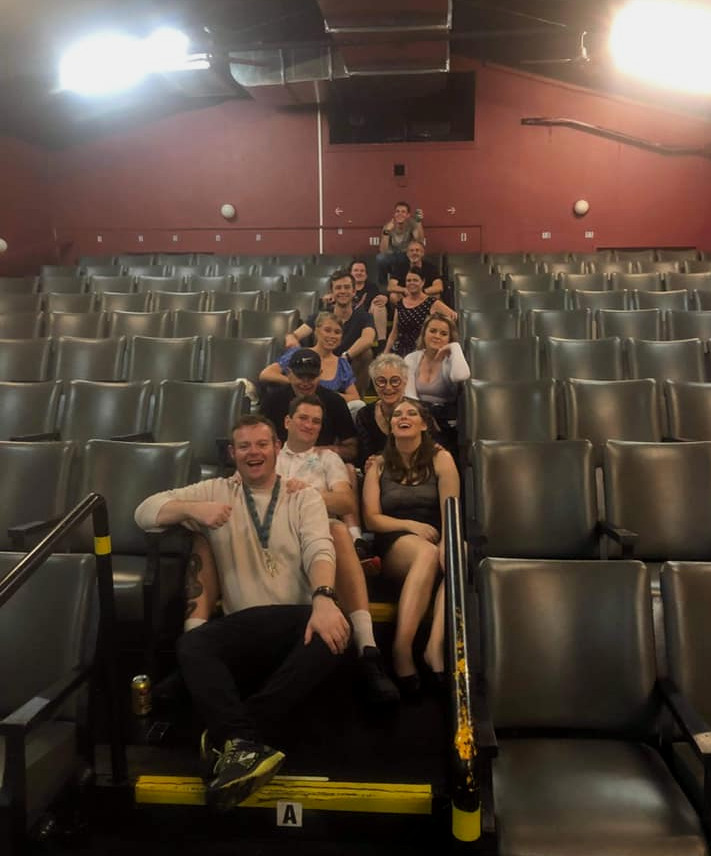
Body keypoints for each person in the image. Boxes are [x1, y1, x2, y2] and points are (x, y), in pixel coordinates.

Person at [134, 414, 350, 810]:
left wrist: (323, 597)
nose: (254, 453)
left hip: (296, 621)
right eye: (245, 446)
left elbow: (321, 548)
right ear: (233, 453)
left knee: (335, 632)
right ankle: (247, 741)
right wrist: (193, 510)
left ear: (275, 449)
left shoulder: (303, 496)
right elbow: (145, 512)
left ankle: (232, 737)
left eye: (262, 445)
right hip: (243, 627)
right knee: (194, 645)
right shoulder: (216, 490)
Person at [277, 395, 398, 704]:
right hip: (277, 532)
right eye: (303, 418)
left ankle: (368, 650)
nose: (310, 426)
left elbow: (344, 502)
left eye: (316, 421)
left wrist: (307, 494)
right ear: (287, 422)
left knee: (337, 528)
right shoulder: (270, 455)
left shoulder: (328, 459)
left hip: (322, 533)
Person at [363, 399, 460, 697]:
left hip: (436, 535)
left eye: (411, 413)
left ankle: (434, 647)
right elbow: (372, 518)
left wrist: (447, 543)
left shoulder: (441, 459)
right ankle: (402, 649)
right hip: (395, 542)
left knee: (459, 554)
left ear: (423, 424)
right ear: (390, 426)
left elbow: (450, 510)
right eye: (397, 415)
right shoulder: (377, 464)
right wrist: (410, 526)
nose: (403, 417)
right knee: (427, 553)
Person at [285, 270, 376, 396]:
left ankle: (357, 397)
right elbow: (295, 335)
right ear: (332, 292)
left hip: (349, 365)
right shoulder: (321, 316)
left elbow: (368, 339)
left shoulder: (365, 317)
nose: (343, 291)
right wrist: (292, 339)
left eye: (347, 287)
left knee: (367, 353)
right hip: (322, 366)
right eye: (338, 288)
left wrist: (344, 358)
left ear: (354, 291)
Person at [260, 312, 365, 418]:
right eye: (327, 330)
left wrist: (327, 394)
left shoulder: (342, 363)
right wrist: (297, 382)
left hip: (327, 409)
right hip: (296, 407)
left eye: (337, 332)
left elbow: (355, 397)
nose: (332, 336)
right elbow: (266, 374)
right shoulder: (298, 354)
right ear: (316, 331)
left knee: (359, 406)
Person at [261, 348, 357, 463]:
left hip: (321, 464)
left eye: (311, 377)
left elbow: (352, 449)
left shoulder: (335, 402)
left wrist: (315, 452)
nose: (305, 383)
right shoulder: (273, 400)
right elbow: (258, 439)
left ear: (320, 375)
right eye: (300, 376)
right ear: (289, 374)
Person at [404, 312, 470, 415]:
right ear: (424, 333)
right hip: (418, 413)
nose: (437, 336)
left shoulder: (451, 360)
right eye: (432, 331)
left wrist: (455, 346)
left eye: (443, 334)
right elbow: (410, 395)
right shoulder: (411, 358)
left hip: (447, 417)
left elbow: (460, 376)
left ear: (449, 338)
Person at [384, 268, 455, 358]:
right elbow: (394, 333)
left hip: (423, 352)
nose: (411, 283)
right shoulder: (400, 303)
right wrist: (385, 353)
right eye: (408, 281)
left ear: (422, 282)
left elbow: (453, 316)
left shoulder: (431, 302)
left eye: (415, 280)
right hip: (401, 351)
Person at [355, 353, 408, 468]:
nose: (388, 387)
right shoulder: (364, 415)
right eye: (381, 381)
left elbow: (433, 449)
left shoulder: (419, 411)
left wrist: (384, 459)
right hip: (378, 474)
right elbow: (364, 459)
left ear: (405, 382)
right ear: (374, 384)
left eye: (395, 381)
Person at [376, 202, 424, 286]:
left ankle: (407, 284)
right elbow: (382, 250)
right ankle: (382, 286)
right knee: (380, 258)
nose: (400, 214)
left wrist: (419, 223)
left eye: (403, 212)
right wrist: (386, 232)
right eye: (397, 211)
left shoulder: (412, 224)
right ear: (394, 214)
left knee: (407, 258)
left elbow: (419, 241)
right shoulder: (388, 226)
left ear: (408, 215)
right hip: (392, 255)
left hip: (407, 255)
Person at [387, 240, 445, 304]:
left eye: (417, 250)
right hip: (406, 297)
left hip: (424, 296)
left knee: (436, 296)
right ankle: (402, 313)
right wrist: (405, 290)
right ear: (407, 254)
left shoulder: (431, 267)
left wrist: (421, 292)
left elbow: (439, 287)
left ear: (422, 253)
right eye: (411, 251)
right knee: (393, 296)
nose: (414, 253)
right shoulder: (399, 267)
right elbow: (391, 287)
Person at [350, 258, 388, 344]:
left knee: (379, 306)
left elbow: (379, 299)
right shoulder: (345, 287)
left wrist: (385, 298)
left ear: (366, 275)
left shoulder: (372, 287)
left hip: (366, 321)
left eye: (362, 271)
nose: (359, 273)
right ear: (350, 274)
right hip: (348, 320)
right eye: (356, 270)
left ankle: (382, 343)